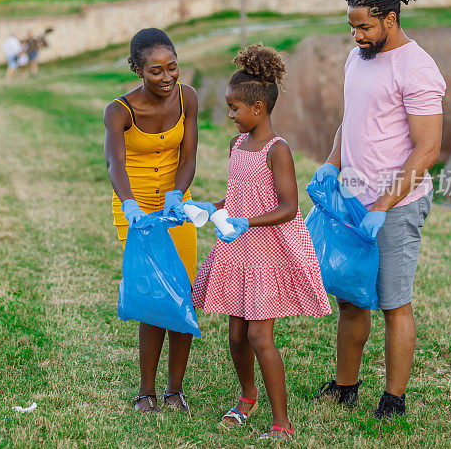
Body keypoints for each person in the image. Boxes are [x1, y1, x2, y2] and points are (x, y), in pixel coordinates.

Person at [311, 0, 445, 419]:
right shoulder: (357, 58)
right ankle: (346, 385)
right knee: (351, 298)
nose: (357, 35)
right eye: (352, 27)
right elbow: (352, 121)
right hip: (351, 200)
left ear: (390, 19)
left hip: (395, 206)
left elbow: (427, 149)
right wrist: (332, 164)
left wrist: (383, 206)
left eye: (364, 27)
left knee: (393, 301)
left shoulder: (418, 67)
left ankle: (394, 398)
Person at [189, 44, 331, 441]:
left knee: (258, 337)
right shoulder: (237, 146)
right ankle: (247, 396)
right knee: (235, 334)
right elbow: (235, 196)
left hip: (267, 252)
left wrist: (244, 221)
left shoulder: (277, 150)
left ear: (259, 108)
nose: (231, 116)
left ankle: (281, 423)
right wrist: (208, 207)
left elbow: (288, 207)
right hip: (237, 250)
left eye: (235, 109)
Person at [103, 28, 199, 413]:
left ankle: (175, 390)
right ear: (138, 71)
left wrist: (177, 194)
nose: (166, 77)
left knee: (182, 292)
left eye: (172, 67)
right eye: (155, 71)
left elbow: (189, 158)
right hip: (136, 211)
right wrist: (130, 205)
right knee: (152, 295)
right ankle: (146, 391)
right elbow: (115, 162)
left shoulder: (186, 97)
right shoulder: (119, 111)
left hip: (177, 207)